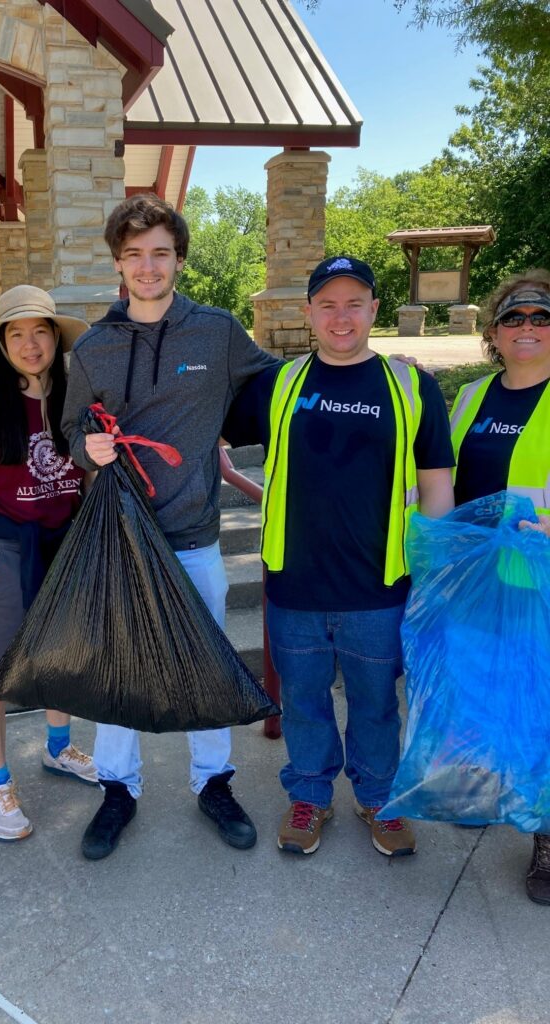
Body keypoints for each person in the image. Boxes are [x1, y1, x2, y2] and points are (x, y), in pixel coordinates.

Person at [61, 193, 280, 860]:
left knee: (205, 666)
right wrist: (86, 449)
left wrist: (371, 376)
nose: (147, 267)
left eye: (160, 253)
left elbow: (278, 386)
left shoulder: (215, 331)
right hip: (121, 541)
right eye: (134, 256)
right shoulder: (94, 346)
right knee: (117, 670)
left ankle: (214, 783)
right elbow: (72, 430)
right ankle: (117, 791)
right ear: (119, 264)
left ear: (178, 258)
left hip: (193, 539)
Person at [223, 255, 455, 858]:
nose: (341, 316)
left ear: (375, 310)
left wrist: (434, 568)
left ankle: (378, 797)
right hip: (294, 584)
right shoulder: (280, 383)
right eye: (327, 303)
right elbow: (206, 424)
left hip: (379, 588)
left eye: (355, 303)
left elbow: (435, 483)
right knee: (302, 700)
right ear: (308, 313)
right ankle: (310, 794)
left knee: (377, 704)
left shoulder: (411, 386)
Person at [0, 286, 97, 843]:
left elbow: (89, 477)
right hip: (6, 549)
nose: (29, 343)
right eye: (15, 333)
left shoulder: (77, 402)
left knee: (63, 655)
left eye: (39, 330)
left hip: (66, 543)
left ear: (55, 337)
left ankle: (59, 749)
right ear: (1, 343)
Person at [448, 269, 550, 904]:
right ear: (493, 332)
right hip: (477, 578)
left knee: (540, 707)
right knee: (485, 692)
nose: (529, 328)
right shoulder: (472, 398)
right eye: (514, 318)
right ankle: (492, 789)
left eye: (542, 317)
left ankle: (545, 835)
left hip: (539, 581)